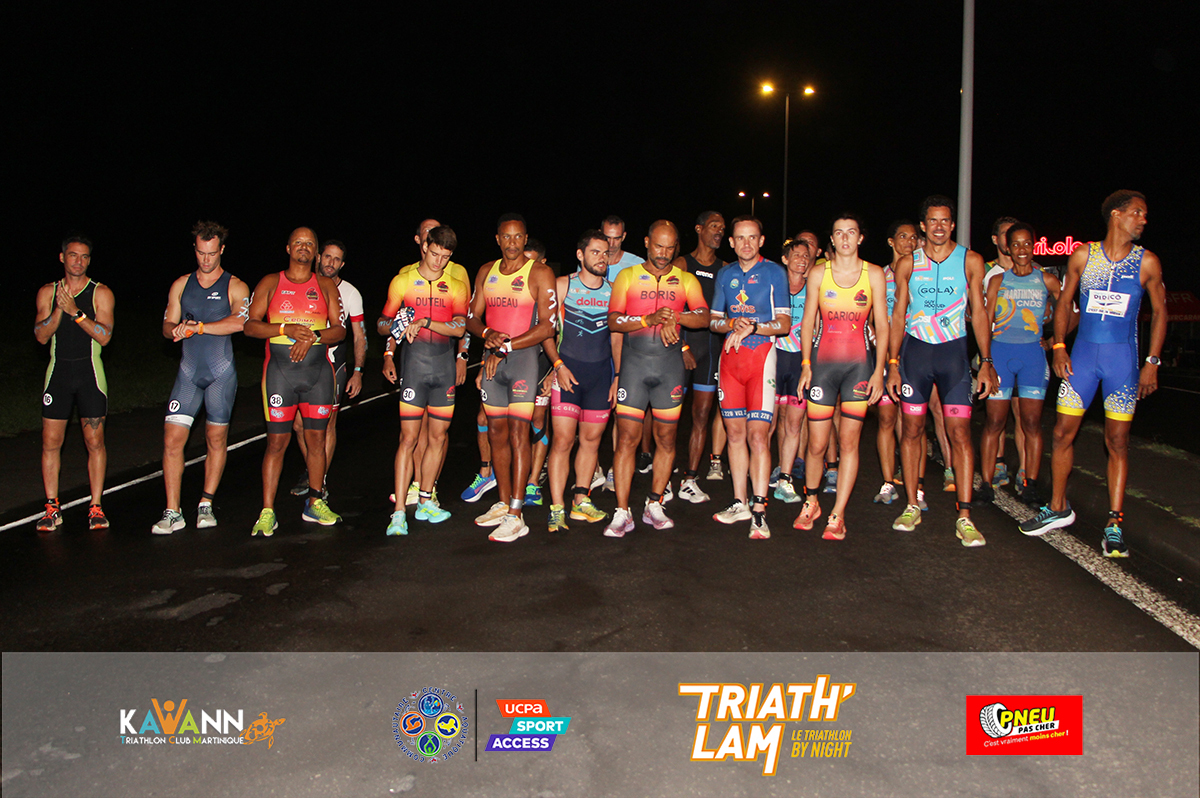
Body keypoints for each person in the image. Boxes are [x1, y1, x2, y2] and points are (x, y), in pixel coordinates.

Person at [1020, 191, 1166, 558]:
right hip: (1083, 358)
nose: (1143, 220)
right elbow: (1065, 302)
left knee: (1117, 441)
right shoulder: (1084, 255)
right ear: (1116, 215)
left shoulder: (1147, 262)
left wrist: (1152, 362)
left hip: (1122, 363)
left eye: (1144, 215)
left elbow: (1161, 313)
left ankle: (1114, 524)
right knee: (1061, 433)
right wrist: (1058, 346)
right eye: (1137, 213)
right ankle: (1058, 507)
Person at [886, 196, 998, 547]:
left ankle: (964, 517)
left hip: (954, 357)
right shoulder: (907, 264)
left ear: (952, 224)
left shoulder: (971, 260)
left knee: (960, 433)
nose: (939, 227)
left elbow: (979, 313)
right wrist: (892, 364)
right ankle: (911, 504)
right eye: (932, 221)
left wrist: (986, 362)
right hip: (916, 355)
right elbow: (898, 315)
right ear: (923, 225)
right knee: (912, 430)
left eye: (945, 221)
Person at [603, 220, 710, 537]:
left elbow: (703, 317)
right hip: (634, 368)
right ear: (647, 242)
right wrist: (647, 319)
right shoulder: (627, 276)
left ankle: (654, 503)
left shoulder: (686, 279)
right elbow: (613, 320)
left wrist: (675, 316)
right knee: (626, 440)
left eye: (669, 247)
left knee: (666, 440)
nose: (663, 253)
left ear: (676, 247)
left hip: (669, 369)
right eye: (658, 246)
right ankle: (622, 511)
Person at [243, 227, 346, 536]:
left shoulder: (325, 285)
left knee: (316, 441)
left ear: (316, 252)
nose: (303, 247)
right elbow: (250, 326)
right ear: (288, 248)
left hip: (318, 375)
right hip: (280, 374)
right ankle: (267, 511)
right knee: (277, 443)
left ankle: (315, 501)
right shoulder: (270, 282)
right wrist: (284, 329)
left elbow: (339, 330)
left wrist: (313, 335)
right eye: (298, 242)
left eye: (309, 243)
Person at [791, 215, 889, 540]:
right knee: (817, 444)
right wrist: (806, 364)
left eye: (851, 232)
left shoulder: (874, 274)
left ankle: (838, 513)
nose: (845, 238)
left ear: (860, 238)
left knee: (848, 442)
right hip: (823, 367)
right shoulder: (819, 273)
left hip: (859, 368)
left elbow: (882, 325)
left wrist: (879, 371)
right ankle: (811, 501)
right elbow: (808, 321)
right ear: (831, 240)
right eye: (838, 233)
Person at [152, 221, 250, 534]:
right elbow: (167, 325)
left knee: (215, 439)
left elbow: (240, 323)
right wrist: (177, 329)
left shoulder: (236, 285)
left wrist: (200, 328)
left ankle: (205, 503)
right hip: (189, 373)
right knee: (171, 440)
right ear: (194, 250)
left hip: (221, 374)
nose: (206, 259)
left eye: (212, 253)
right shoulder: (181, 284)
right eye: (200, 253)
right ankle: (173, 511)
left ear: (222, 250)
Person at [465, 214, 556, 542]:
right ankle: (504, 503)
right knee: (496, 433)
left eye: (519, 236)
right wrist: (486, 334)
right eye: (507, 236)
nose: (513, 242)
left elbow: (547, 327)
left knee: (520, 434)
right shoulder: (486, 271)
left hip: (522, 361)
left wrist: (505, 346)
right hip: (493, 363)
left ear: (525, 238)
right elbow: (471, 317)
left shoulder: (540, 272)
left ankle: (517, 514)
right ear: (498, 239)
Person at [375, 219, 473, 507]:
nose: (439, 261)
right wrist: (396, 330)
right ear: (425, 246)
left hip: (443, 368)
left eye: (446, 257)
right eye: (435, 254)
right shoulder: (402, 280)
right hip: (414, 368)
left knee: (438, 437)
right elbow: (381, 324)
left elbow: (460, 328)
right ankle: (399, 510)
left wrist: (426, 322)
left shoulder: (456, 285)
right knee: (408, 439)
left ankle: (427, 499)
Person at [708, 216, 790, 539]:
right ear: (731, 242)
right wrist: (732, 324)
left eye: (752, 237)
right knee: (734, 433)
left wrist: (753, 327)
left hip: (761, 359)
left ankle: (759, 509)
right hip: (730, 361)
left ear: (761, 240)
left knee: (758, 436)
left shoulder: (774, 272)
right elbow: (713, 321)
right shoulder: (725, 274)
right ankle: (739, 502)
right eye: (740, 238)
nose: (746, 243)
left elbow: (784, 324)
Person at [33, 235, 115, 532]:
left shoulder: (101, 292)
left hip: (90, 374)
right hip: (58, 374)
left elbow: (105, 337)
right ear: (62, 257)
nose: (78, 261)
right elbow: (41, 336)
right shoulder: (48, 292)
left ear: (89, 260)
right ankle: (52, 507)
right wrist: (59, 309)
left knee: (94, 441)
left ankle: (96, 506)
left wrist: (76, 314)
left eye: (84, 256)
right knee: (50, 442)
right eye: (73, 255)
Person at [541, 230, 619, 532]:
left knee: (591, 441)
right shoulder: (563, 286)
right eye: (595, 252)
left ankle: (580, 501)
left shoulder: (614, 291)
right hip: (567, 374)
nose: (602, 258)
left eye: (605, 253)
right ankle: (556, 508)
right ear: (580, 255)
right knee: (562, 441)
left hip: (600, 377)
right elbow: (546, 331)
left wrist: (617, 377)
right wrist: (557, 366)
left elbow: (617, 339)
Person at [979, 222, 1061, 506]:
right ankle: (986, 485)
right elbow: (984, 322)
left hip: (1032, 358)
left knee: (1032, 423)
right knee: (994, 422)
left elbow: (1070, 311)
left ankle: (1031, 486)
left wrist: (1056, 342)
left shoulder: (1047, 280)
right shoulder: (997, 281)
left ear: (1034, 246)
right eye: (1016, 244)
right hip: (1001, 355)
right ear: (1008, 248)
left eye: (1027, 243)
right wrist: (986, 361)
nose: (1022, 249)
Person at [289, 239, 365, 499]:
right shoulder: (302, 283)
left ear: (342, 264)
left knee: (327, 425)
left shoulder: (351, 293)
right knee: (299, 425)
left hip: (333, 364)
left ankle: (318, 482)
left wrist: (358, 371)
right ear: (319, 257)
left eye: (337, 259)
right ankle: (313, 469)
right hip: (301, 362)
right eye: (328, 257)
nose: (331, 263)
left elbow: (359, 335)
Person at [678, 211, 725, 503]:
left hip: (711, 351)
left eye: (722, 227)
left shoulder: (727, 269)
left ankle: (690, 478)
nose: (719, 231)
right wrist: (682, 347)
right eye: (713, 226)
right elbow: (668, 307)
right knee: (667, 417)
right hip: (681, 349)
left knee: (701, 415)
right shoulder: (682, 265)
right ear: (699, 229)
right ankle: (663, 475)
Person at [872, 220, 918, 506]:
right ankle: (888, 482)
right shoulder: (880, 275)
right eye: (903, 237)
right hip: (886, 355)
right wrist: (877, 342)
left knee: (913, 421)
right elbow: (867, 316)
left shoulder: (923, 273)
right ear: (891, 241)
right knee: (887, 418)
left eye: (914, 237)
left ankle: (916, 483)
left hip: (916, 352)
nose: (909, 242)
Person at [771, 237, 813, 504]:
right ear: (785, 259)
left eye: (806, 256)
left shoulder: (814, 288)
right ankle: (760, 479)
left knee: (794, 424)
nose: (802, 260)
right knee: (767, 424)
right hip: (774, 359)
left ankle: (785, 480)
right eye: (796, 255)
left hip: (800, 362)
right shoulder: (774, 287)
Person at [523, 237, 553, 507]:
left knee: (538, 419)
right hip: (517, 362)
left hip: (543, 363)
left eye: (532, 262)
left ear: (542, 263)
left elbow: (561, 333)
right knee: (514, 422)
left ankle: (533, 480)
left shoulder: (551, 288)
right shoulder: (512, 285)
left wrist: (554, 370)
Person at [602, 215, 644, 282]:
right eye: (607, 238)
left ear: (623, 236)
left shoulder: (637, 264)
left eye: (616, 238)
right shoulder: (589, 262)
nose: (611, 244)